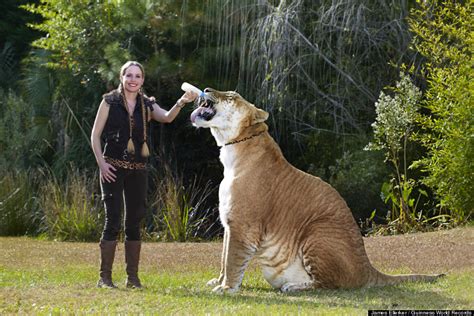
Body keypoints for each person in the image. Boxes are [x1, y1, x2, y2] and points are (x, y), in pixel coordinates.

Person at [91, 61, 197, 289]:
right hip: (112, 169)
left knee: (134, 221)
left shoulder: (147, 104)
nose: (133, 79)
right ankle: (105, 278)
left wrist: (182, 102)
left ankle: (132, 278)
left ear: (142, 80)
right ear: (122, 77)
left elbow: (167, 117)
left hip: (138, 170)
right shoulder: (109, 101)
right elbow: (95, 135)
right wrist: (102, 164)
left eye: (137, 76)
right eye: (129, 75)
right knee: (112, 219)